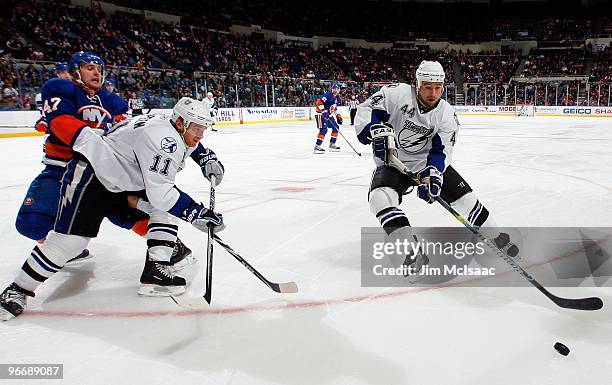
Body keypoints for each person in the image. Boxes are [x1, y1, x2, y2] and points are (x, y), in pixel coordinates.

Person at [0, 97, 225, 320]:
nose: (200, 135)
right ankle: (18, 289)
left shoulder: (169, 124)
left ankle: (156, 271)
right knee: (71, 242)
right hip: (92, 174)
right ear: (180, 123)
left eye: (203, 129)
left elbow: (191, 145)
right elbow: (161, 193)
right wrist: (197, 213)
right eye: (197, 129)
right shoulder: (164, 139)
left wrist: (205, 158)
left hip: (120, 178)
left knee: (163, 211)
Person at [16, 51, 191, 267]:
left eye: (99, 69)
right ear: (74, 71)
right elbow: (61, 123)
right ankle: (62, 247)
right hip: (60, 169)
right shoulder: (60, 87)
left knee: (128, 212)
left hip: (101, 172)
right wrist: (95, 139)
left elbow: (126, 130)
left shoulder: (111, 99)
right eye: (90, 67)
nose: (96, 72)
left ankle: (169, 244)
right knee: (31, 223)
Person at [354, 60, 519, 278]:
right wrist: (373, 130)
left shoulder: (446, 114)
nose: (433, 93)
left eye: (438, 88)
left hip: (425, 164)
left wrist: (432, 175)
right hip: (395, 162)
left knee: (467, 201)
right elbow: (367, 110)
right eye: (427, 87)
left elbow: (441, 151)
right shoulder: (396, 94)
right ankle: (413, 252)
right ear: (417, 83)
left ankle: (498, 237)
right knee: (379, 199)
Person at [313, 82, 343, 154]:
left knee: (336, 127)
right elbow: (318, 102)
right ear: (332, 89)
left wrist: (337, 115)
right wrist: (323, 111)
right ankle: (317, 146)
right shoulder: (328, 95)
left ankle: (332, 144)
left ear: (339, 90)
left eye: (337, 89)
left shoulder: (338, 98)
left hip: (329, 115)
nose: (336, 90)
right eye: (334, 88)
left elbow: (334, 108)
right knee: (324, 130)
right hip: (321, 115)